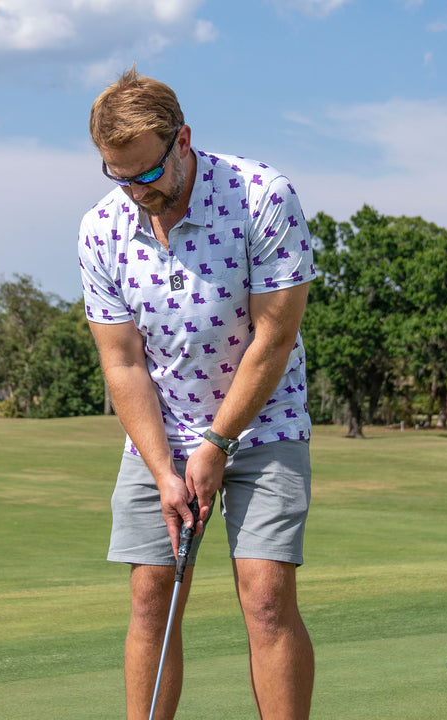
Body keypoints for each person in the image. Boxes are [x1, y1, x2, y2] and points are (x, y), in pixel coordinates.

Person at [78, 66, 316, 720]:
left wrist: (215, 444)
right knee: (152, 598)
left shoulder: (263, 196)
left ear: (183, 141)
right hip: (162, 432)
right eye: (118, 177)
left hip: (264, 427)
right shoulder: (102, 230)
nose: (135, 193)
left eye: (147, 175)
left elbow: (273, 335)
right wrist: (164, 469)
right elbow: (123, 364)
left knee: (266, 597)